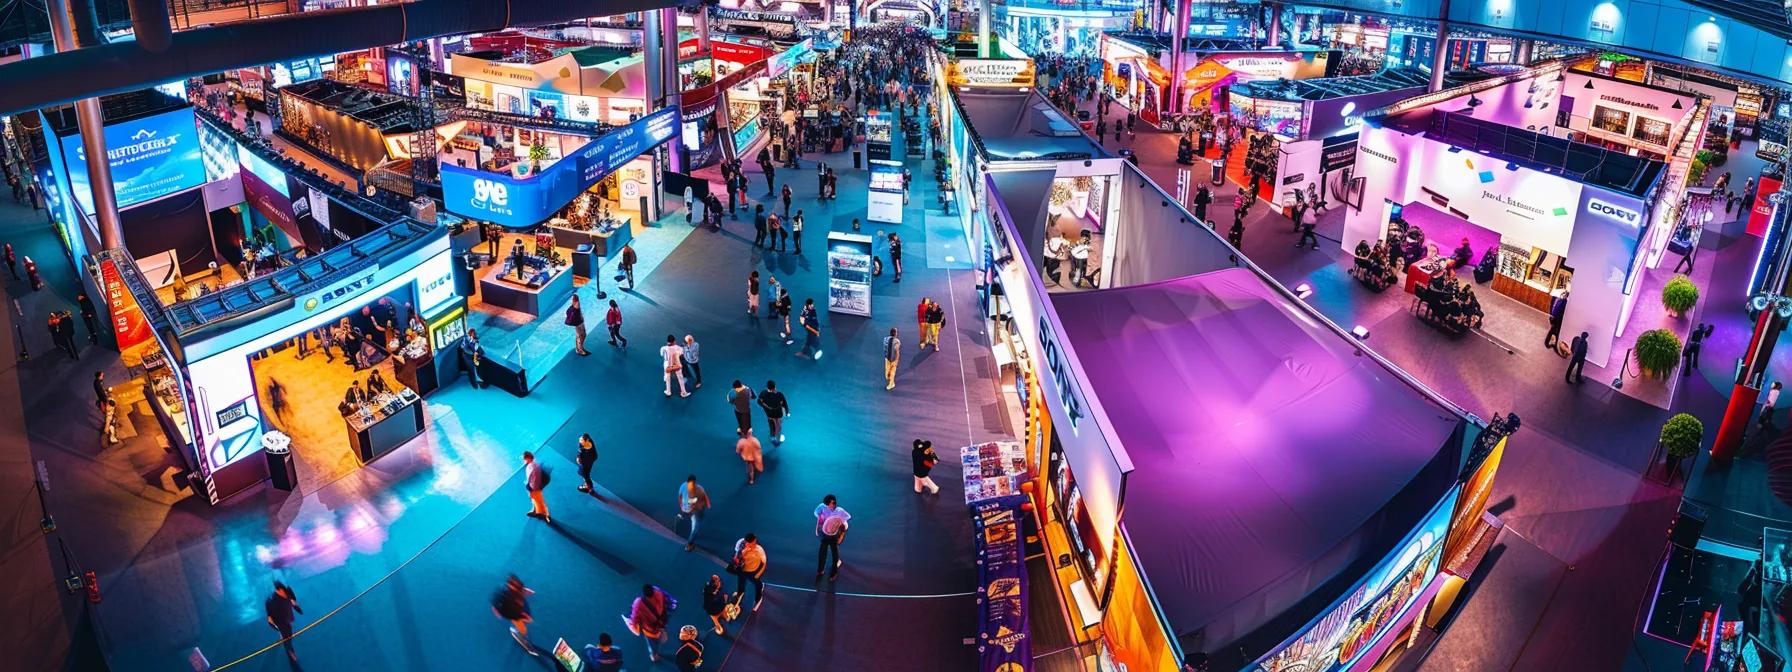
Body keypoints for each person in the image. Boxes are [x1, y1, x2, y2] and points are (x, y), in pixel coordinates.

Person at [492, 575, 536, 655]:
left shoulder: (510, 589)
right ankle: (516, 632)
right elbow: (515, 615)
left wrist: (523, 590)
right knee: (523, 629)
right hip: (513, 613)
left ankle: (519, 627)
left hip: (513, 608)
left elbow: (516, 588)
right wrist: (525, 618)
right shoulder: (509, 609)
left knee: (525, 617)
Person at [629, 584, 673, 662]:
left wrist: (635, 628)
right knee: (659, 640)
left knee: (652, 643)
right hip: (661, 624)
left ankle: (654, 656)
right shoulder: (659, 594)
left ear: (644, 593)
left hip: (649, 630)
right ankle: (660, 645)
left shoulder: (638, 603)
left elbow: (634, 619)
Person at [815, 494, 851, 580]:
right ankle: (820, 570)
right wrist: (818, 526)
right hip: (825, 533)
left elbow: (844, 526)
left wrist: (841, 536)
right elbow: (818, 516)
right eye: (826, 504)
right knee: (822, 552)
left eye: (828, 504)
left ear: (833, 502)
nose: (827, 506)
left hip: (835, 534)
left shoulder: (840, 511)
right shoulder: (823, 507)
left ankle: (834, 572)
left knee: (834, 553)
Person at [264, 581, 302, 662]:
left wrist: (297, 608)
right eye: (282, 591)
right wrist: (276, 627)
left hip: (288, 618)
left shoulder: (288, 591)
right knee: (288, 637)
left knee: (286, 633)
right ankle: (290, 651)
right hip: (281, 622)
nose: (284, 594)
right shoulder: (271, 602)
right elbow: (270, 619)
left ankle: (282, 634)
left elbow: (293, 601)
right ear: (278, 591)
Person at [731, 533, 767, 611]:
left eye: (749, 543)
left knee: (758, 584)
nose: (747, 544)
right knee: (740, 582)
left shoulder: (759, 550)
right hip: (742, 569)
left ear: (754, 541)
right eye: (746, 542)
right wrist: (743, 553)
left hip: (752, 572)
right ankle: (739, 593)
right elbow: (736, 558)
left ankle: (758, 599)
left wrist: (758, 574)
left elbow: (764, 563)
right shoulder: (741, 544)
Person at [678, 474, 709, 551]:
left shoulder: (683, 485)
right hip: (695, 511)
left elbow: (680, 497)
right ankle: (689, 544)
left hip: (686, 509)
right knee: (695, 528)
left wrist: (681, 507)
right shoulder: (699, 489)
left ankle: (683, 515)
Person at [523, 451, 550, 523]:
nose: (524, 461)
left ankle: (544, 514)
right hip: (541, 482)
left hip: (537, 484)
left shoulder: (531, 466)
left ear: (528, 458)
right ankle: (536, 510)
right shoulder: (534, 464)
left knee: (537, 497)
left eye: (524, 459)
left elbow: (533, 477)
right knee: (535, 497)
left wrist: (533, 488)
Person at [759, 380, 789, 444]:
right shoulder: (779, 394)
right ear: (775, 387)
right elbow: (785, 404)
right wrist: (787, 412)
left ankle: (772, 438)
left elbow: (759, 401)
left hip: (770, 415)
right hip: (778, 414)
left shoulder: (763, 393)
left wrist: (765, 407)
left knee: (771, 425)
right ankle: (778, 438)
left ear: (767, 387)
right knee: (778, 426)